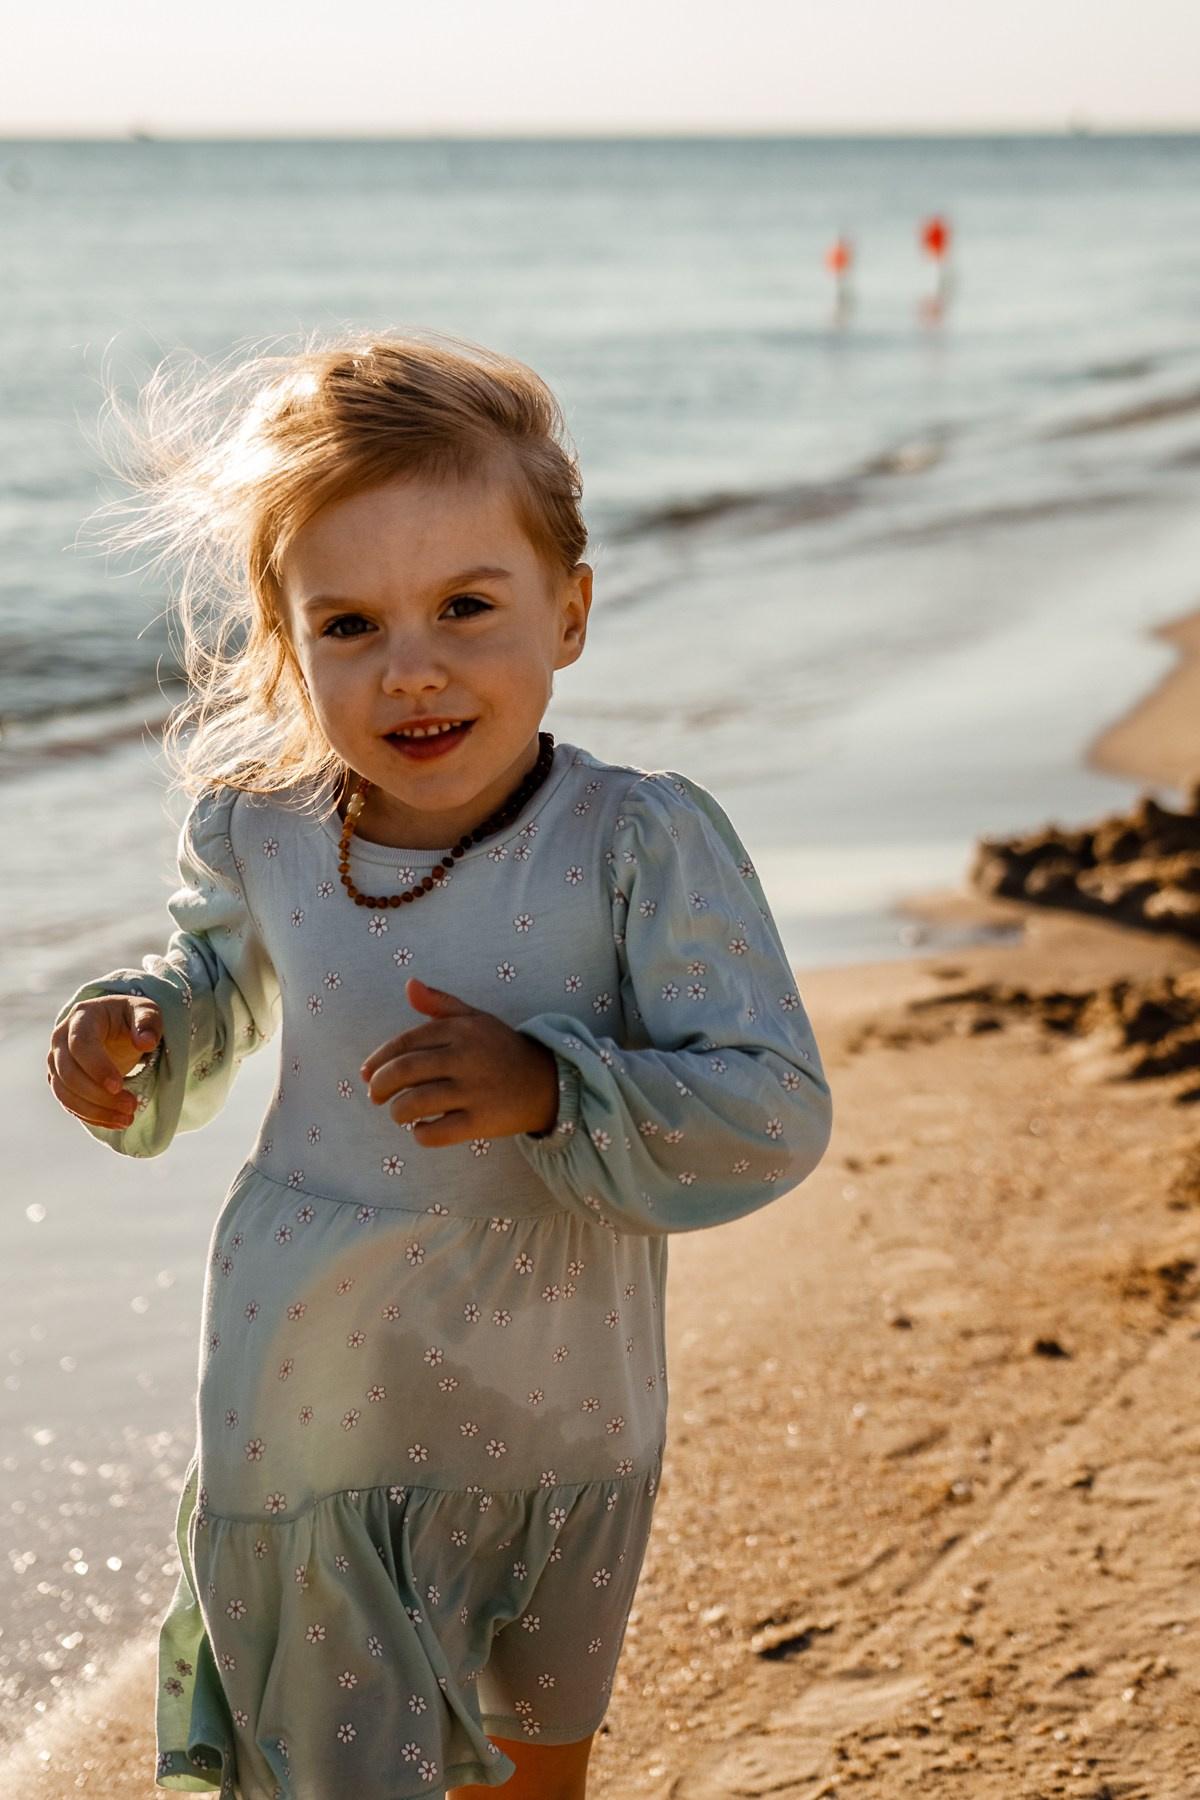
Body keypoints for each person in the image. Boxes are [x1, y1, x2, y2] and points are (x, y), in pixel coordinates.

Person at [47, 336, 832, 1800]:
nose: (413, 667)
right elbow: (207, 987)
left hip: (553, 1389)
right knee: (326, 1764)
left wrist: (553, 1087)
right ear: (287, 644)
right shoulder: (264, 827)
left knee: (531, 1765)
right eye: (347, 624)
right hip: (311, 1382)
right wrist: (131, 1032)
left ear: (572, 611)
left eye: (469, 606)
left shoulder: (632, 844)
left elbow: (772, 1109)